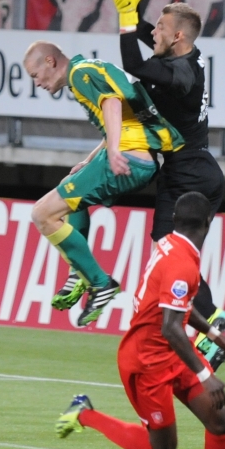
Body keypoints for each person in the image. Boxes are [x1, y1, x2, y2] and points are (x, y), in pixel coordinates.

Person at [54, 192, 225, 449]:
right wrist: (205, 375)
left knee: (221, 420)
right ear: (208, 222)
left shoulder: (175, 246)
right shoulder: (181, 261)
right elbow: (172, 326)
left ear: (175, 220)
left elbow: (177, 309)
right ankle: (85, 413)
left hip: (170, 351)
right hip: (145, 362)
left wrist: (212, 333)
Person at [106, 0, 225, 365]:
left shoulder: (180, 75)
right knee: (173, 251)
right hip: (198, 169)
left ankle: (212, 322)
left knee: (171, 252)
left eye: (159, 28)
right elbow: (151, 41)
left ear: (177, 36)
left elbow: (135, 65)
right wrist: (136, 12)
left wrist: (126, 22)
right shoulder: (188, 55)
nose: (151, 32)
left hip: (188, 174)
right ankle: (211, 324)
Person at [23, 41, 185, 327]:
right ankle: (81, 273)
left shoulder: (78, 75)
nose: (37, 84)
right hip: (140, 160)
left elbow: (111, 103)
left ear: (50, 62)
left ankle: (99, 282)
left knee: (42, 214)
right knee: (69, 188)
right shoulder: (88, 70)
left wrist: (113, 150)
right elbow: (121, 116)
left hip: (128, 159)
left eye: (35, 75)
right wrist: (91, 159)